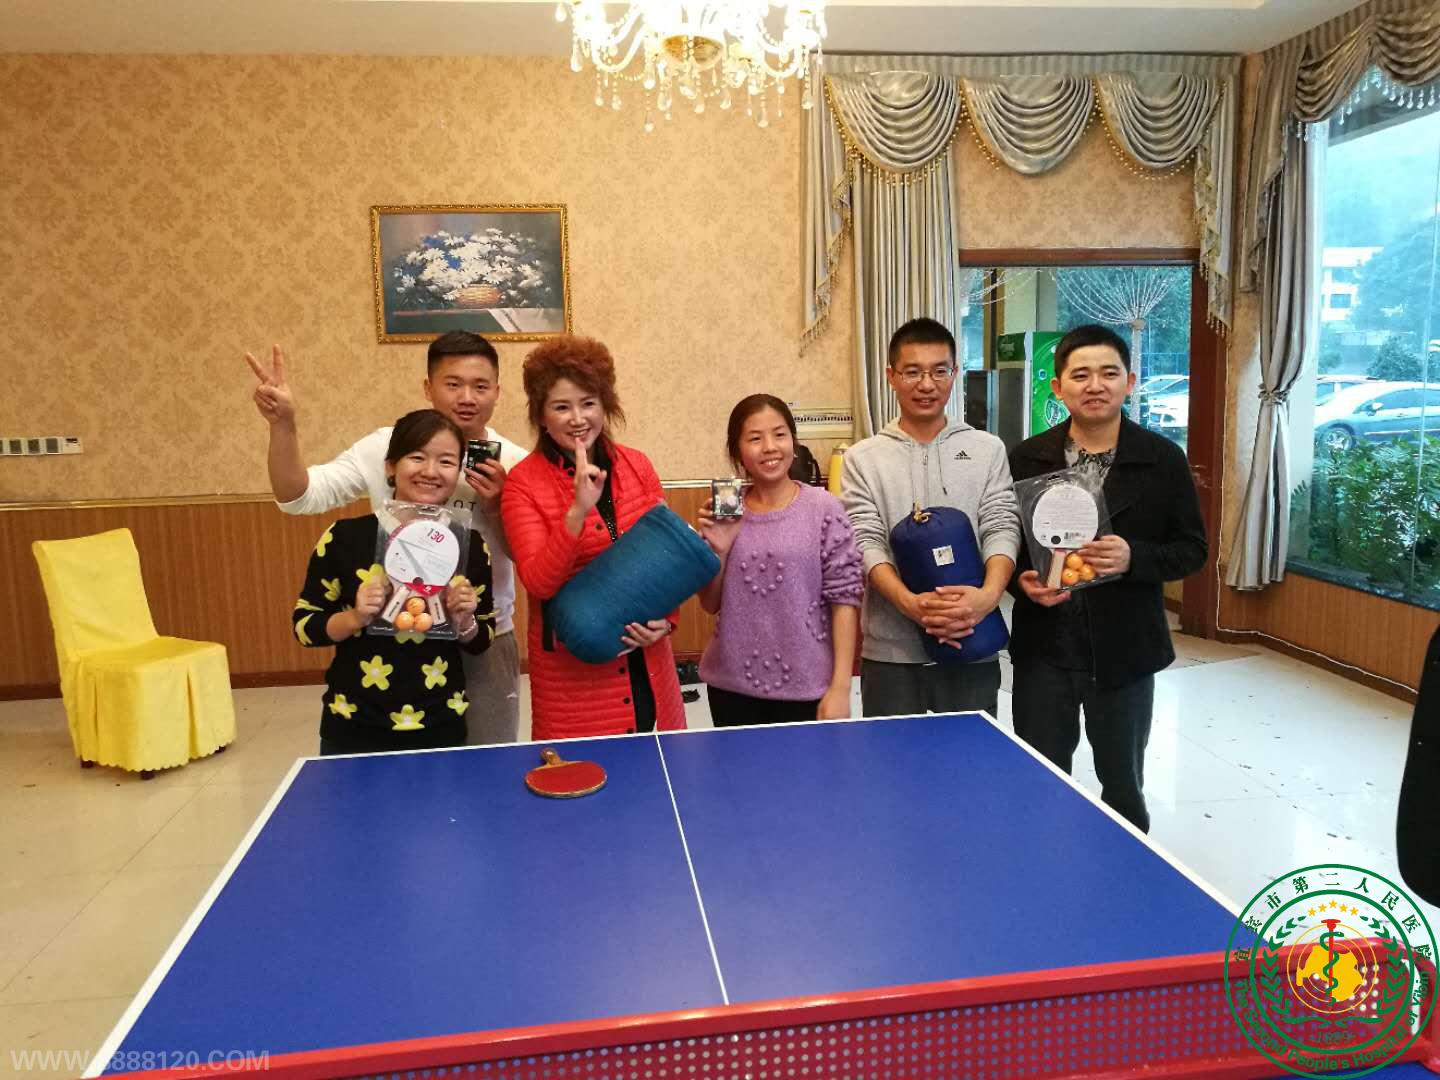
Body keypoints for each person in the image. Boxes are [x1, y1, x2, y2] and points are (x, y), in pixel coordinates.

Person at [247, 330, 526, 745]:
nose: (467, 397)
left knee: (486, 763)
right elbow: (298, 497)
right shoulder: (386, 445)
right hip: (388, 640)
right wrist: (283, 425)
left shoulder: (516, 462)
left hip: (481, 635)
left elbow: (529, 560)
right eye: (453, 384)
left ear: (497, 393)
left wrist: (497, 507)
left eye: (480, 386)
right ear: (428, 387)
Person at [1008, 324, 1207, 833]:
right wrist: (1019, 583)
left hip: (1126, 650)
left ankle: (1126, 870)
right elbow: (1006, 546)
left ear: (1129, 381)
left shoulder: (1162, 459)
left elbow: (1192, 550)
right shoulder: (1026, 458)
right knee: (1040, 779)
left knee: (1122, 784)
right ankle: (1045, 865)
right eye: (1080, 375)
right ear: (1058, 387)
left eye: (1108, 373)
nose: (1095, 385)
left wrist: (1134, 557)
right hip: (1045, 647)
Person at [500, 335, 686, 740]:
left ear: (605, 404)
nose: (577, 418)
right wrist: (577, 511)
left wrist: (666, 622)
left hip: (647, 662)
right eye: (561, 407)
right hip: (575, 679)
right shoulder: (522, 484)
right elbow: (539, 582)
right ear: (541, 416)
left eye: (588, 403)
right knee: (583, 773)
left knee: (656, 767)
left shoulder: (637, 466)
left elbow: (669, 559)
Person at [841, 318, 1021, 718]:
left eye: (940, 371)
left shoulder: (987, 448)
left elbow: (1001, 524)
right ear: (891, 376)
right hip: (892, 654)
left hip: (973, 637)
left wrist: (986, 598)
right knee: (893, 757)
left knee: (969, 755)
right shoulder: (862, 458)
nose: (927, 384)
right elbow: (865, 539)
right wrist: (910, 604)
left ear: (954, 373)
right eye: (913, 372)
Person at [291, 409, 495, 755]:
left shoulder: (470, 546)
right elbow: (304, 626)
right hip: (353, 724)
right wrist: (355, 617)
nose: (430, 471)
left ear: (458, 471)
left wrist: (465, 621)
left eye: (446, 461)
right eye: (417, 457)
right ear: (390, 466)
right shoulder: (345, 537)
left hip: (440, 723)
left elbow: (482, 639)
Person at [697, 395, 863, 727]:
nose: (770, 447)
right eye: (755, 438)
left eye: (779, 434)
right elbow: (710, 603)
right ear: (737, 451)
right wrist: (719, 550)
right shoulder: (725, 511)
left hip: (808, 685)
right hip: (729, 686)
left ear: (793, 442)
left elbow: (845, 598)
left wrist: (841, 686)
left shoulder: (824, 508)